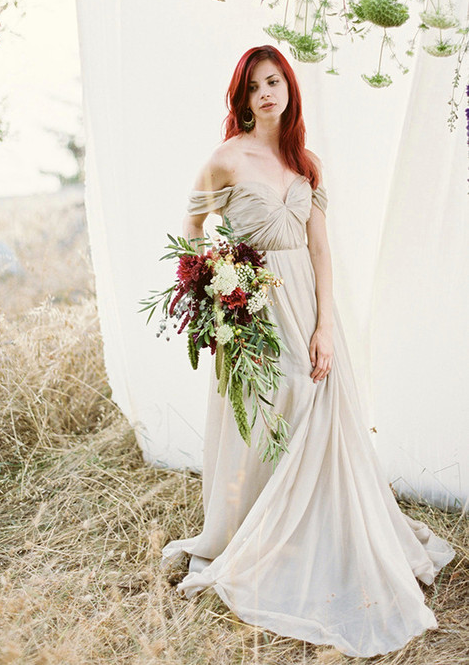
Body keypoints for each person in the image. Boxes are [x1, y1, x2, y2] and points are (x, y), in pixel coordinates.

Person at [162, 45, 455, 658]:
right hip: (255, 310)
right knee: (271, 412)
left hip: (308, 308)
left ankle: (317, 535)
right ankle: (262, 535)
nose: (266, 93)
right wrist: (218, 285)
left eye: (274, 81)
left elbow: (320, 249)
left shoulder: (306, 162)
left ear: (289, 88)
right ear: (242, 98)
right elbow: (190, 232)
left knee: (317, 405)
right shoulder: (226, 158)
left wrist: (326, 325)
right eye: (254, 86)